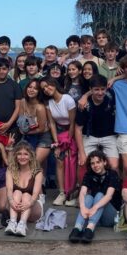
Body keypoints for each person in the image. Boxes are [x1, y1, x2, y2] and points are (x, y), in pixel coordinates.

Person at [41, 76, 78, 204]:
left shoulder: (68, 99)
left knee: (72, 160)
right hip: (59, 133)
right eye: (43, 88)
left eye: (48, 85)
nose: (46, 89)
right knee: (59, 160)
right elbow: (51, 123)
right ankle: (62, 192)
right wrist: (57, 143)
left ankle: (73, 192)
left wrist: (68, 140)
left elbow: (73, 123)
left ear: (54, 84)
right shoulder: (49, 103)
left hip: (73, 132)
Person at [70, 149, 120, 243]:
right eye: (93, 163)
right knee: (88, 197)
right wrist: (83, 207)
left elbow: (109, 196)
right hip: (95, 215)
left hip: (110, 216)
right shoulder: (89, 174)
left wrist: (94, 208)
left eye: (98, 162)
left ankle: (90, 229)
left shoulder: (112, 174)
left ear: (104, 162)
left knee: (100, 195)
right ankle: (77, 228)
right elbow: (82, 192)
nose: (95, 165)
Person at [75, 75, 118, 172]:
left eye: (103, 89)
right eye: (96, 90)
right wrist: (82, 153)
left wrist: (114, 78)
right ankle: (82, 186)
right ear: (90, 90)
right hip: (89, 135)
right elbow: (78, 129)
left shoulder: (111, 96)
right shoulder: (84, 104)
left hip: (109, 135)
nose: (100, 92)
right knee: (83, 164)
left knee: (114, 166)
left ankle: (114, 186)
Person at [3, 141, 44, 236]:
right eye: (19, 154)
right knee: (16, 192)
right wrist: (11, 201)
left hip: (32, 206)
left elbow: (35, 194)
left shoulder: (38, 172)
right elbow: (9, 190)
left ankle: (22, 224)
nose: (22, 157)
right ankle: (12, 223)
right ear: (15, 156)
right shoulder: (10, 170)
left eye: (26, 154)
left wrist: (28, 204)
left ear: (31, 156)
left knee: (26, 195)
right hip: (15, 207)